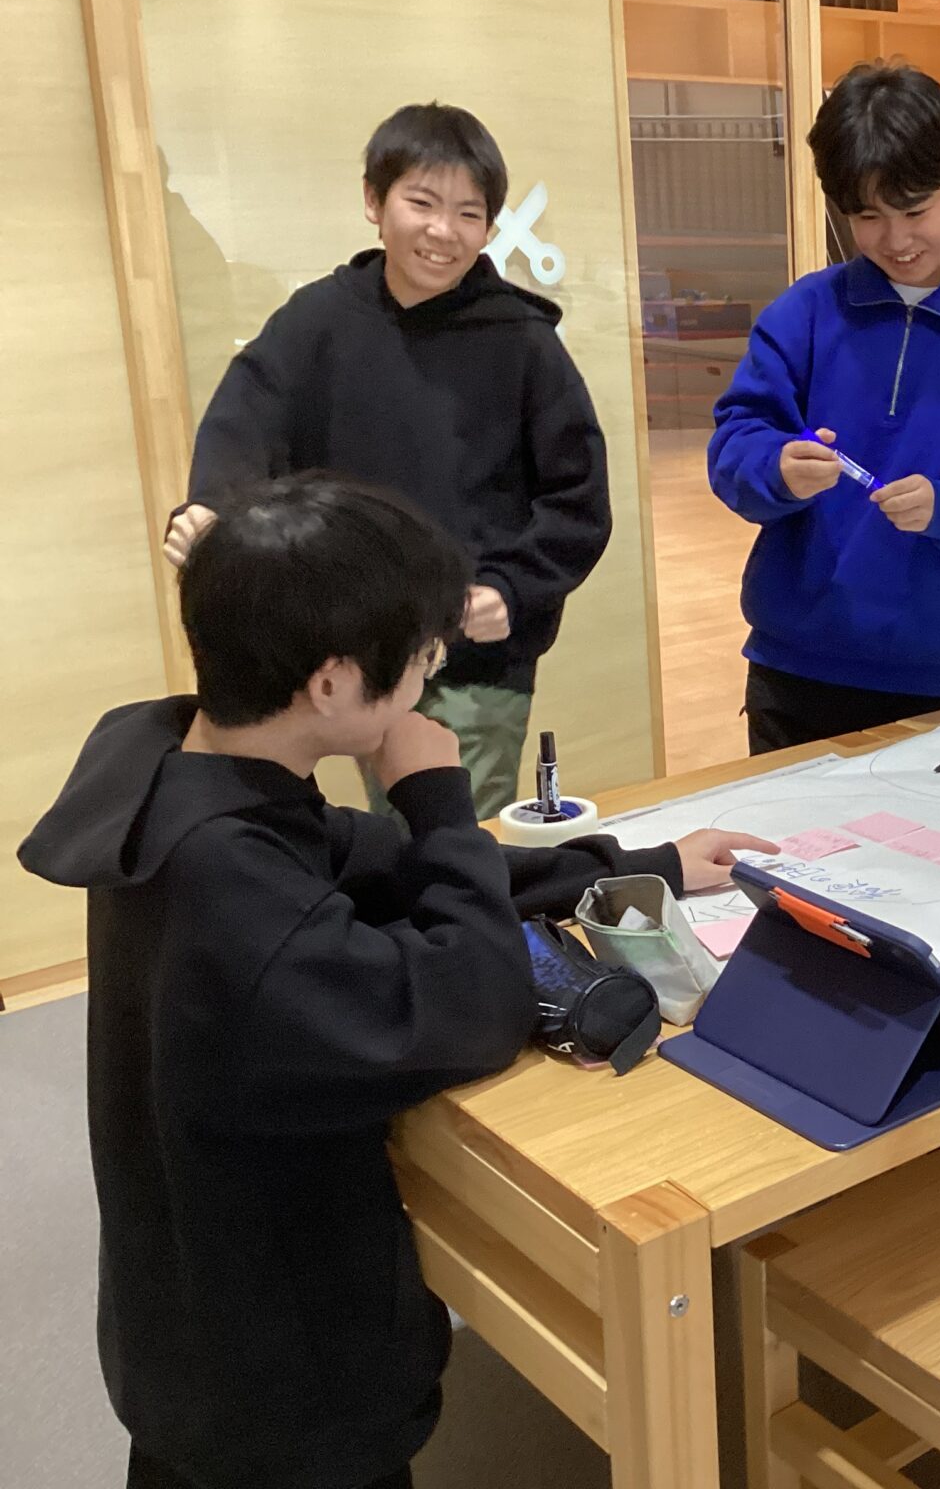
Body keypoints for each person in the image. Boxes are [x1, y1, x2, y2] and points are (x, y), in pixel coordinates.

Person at [18, 479, 773, 1489]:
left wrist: (643, 865)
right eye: (421, 659)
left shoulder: (179, 769)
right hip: (280, 1369)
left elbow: (376, 861)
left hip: (180, 1308)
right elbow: (471, 1002)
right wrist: (437, 796)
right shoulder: (242, 899)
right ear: (333, 684)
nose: (430, 677)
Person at [162, 102, 610, 817]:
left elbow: (578, 497)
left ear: (488, 227)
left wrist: (513, 589)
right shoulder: (317, 320)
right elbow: (244, 424)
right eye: (422, 203)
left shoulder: (522, 340)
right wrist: (213, 513)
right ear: (374, 201)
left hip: (466, 649)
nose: (443, 231)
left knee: (453, 826)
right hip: (337, 642)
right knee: (308, 821)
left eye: (468, 213)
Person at [708, 61, 940, 755]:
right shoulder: (804, 313)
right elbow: (736, 439)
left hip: (936, 677)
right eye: (868, 217)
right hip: (792, 670)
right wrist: (776, 468)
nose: (897, 240)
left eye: (915, 211)